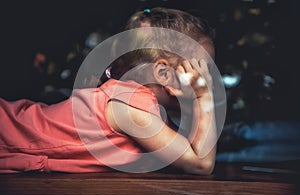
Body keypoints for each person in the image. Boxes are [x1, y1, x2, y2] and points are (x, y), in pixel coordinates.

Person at [0, 7, 218, 174]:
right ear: (164, 74)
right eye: (202, 68)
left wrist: (194, 104)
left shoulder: (147, 107)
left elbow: (193, 148)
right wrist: (203, 96)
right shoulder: (132, 107)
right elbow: (201, 164)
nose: (209, 78)